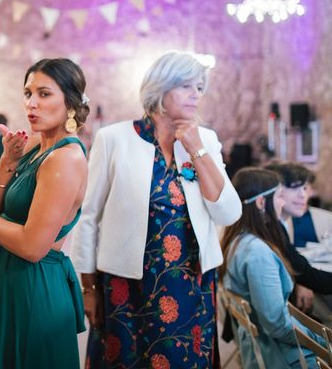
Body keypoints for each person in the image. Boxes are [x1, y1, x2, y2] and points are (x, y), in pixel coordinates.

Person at [72, 51, 241, 368]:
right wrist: (88, 288)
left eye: (200, 87)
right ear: (161, 89)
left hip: (190, 283)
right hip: (126, 283)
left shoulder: (205, 140)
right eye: (187, 86)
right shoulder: (114, 139)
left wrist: (197, 149)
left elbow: (228, 213)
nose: (196, 95)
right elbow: (89, 217)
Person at [0, 58, 89, 368]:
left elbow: (32, 247)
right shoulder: (34, 146)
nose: (32, 103)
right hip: (8, 279)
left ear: (69, 102)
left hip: (34, 285)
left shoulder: (64, 159)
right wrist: (7, 161)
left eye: (44, 94)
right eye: (28, 93)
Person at [220, 168, 324, 368]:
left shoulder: (237, 239)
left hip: (262, 348)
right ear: (261, 203)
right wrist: (322, 342)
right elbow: (277, 325)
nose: (282, 203)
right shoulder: (258, 253)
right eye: (279, 197)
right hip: (282, 357)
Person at [265, 162, 332, 247]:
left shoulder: (281, 226)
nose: (303, 195)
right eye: (294, 187)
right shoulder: (265, 231)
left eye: (304, 188)